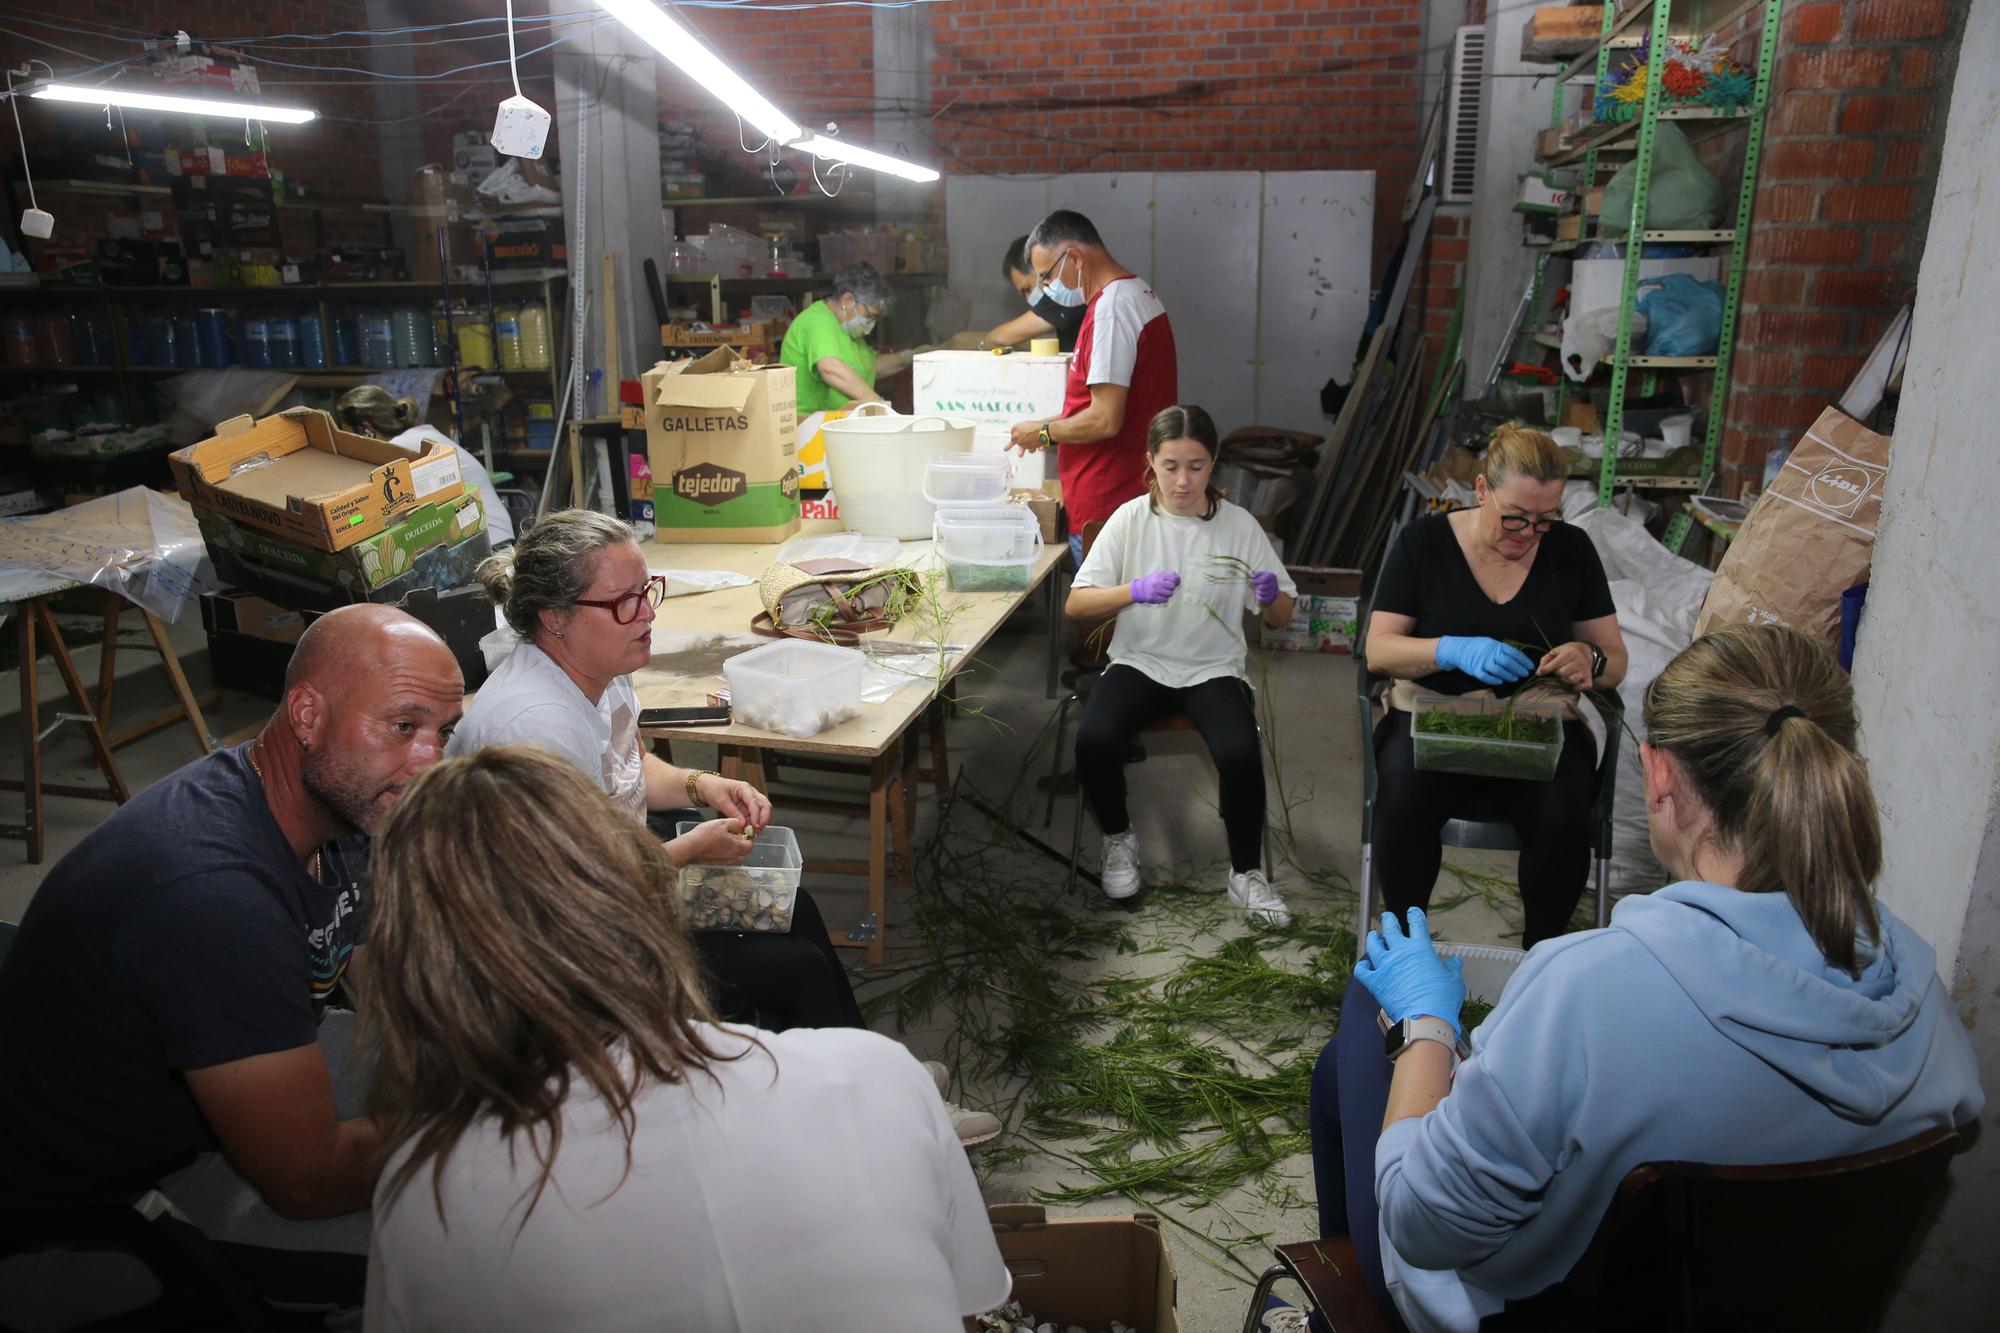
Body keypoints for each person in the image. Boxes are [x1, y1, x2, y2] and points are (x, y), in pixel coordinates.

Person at [1309, 625, 1985, 1332]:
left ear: (1658, 776)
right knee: (1343, 1069)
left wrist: (1429, 1032)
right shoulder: (1916, 987)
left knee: (1364, 1013)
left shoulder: (1582, 991)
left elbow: (1424, 1225)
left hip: (1523, 1311)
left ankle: (1344, 1302)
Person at [359, 746, 1012, 1330]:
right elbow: (971, 1298)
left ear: (416, 974)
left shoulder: (426, 1197)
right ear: (639, 898)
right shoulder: (878, 1074)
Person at [445, 509, 1000, 1144]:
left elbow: (628, 764)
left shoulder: (599, 668)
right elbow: (568, 892)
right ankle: (881, 1114)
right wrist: (687, 850)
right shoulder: (534, 725)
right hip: (560, 950)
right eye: (623, 602)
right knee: (795, 968)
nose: (647, 613)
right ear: (554, 618)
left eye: (647, 592)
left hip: (618, 890)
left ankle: (867, 1082)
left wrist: (700, 785)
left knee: (798, 905)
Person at [0, 606, 464, 1315]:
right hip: (106, 1199)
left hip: (209, 1093)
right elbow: (304, 1181)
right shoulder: (214, 897)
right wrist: (470, 1122)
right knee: (470, 1251)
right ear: (307, 713)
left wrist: (482, 1046)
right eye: (404, 725)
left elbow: (375, 959)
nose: (430, 760)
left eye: (444, 732)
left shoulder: (334, 799)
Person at [1365, 423, 1628, 948]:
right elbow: (1379, 650)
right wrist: (1449, 649)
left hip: (1538, 722)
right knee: (1404, 803)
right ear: (1481, 489)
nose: (1528, 534)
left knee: (1563, 815)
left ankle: (1543, 959)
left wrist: (1588, 657)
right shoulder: (1424, 543)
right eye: (1515, 517)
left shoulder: (1572, 551)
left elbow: (1615, 659)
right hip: (1433, 716)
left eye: (1544, 521)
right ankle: (1407, 954)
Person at [1066, 405, 1297, 929]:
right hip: (1141, 661)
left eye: (1196, 466)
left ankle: (1245, 873)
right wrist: (1133, 592)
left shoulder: (1239, 526)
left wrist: (1270, 595)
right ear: (1150, 462)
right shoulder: (1130, 519)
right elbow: (1076, 606)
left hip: (1213, 667)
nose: (1183, 480)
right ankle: (1119, 838)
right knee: (1095, 740)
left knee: (1240, 752)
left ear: (1214, 464)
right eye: (1170, 466)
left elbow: (1282, 617)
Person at [1007, 209, 1179, 562]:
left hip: (1109, 501)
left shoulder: (1112, 309)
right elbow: (1105, 405)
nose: (1046, 290)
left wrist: (1043, 432)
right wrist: (1050, 425)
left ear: (1073, 257)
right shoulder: (1135, 294)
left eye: (1046, 277)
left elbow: (1105, 419)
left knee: (1101, 614)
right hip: (1124, 495)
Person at [334, 384, 514, 548]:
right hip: (494, 537)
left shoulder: (401, 448)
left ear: (366, 429)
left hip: (488, 544)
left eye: (349, 435)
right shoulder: (420, 435)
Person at [780, 261, 917, 417]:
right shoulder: (818, 321)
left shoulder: (848, 331)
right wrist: (876, 402)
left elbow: (869, 367)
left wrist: (910, 357)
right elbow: (830, 368)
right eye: (869, 316)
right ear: (848, 300)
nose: (870, 324)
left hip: (835, 423)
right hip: (807, 426)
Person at [979, 234, 1085, 352]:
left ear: (1040, 267)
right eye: (1024, 295)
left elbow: (999, 339)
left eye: (1027, 289)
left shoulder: (1067, 293)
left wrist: (983, 345)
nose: (1029, 298)